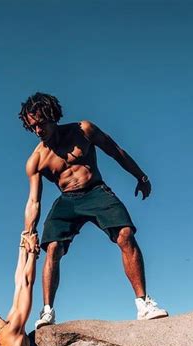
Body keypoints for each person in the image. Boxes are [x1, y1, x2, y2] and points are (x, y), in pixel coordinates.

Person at [19, 92, 168, 328]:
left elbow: (115, 151)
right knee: (53, 248)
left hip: (96, 191)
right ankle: (47, 311)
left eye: (41, 124)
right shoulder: (36, 160)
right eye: (33, 126)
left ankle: (144, 304)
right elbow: (33, 201)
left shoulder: (83, 130)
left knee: (126, 234)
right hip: (67, 199)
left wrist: (140, 176)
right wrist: (29, 232)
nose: (38, 130)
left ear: (52, 116)